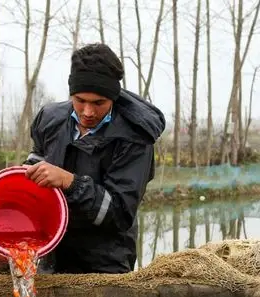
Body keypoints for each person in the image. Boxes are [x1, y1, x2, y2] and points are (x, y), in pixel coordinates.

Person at [23, 43, 166, 274]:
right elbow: (35, 161)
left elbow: (120, 213)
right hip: (52, 249)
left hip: (106, 260)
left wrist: (71, 182)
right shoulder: (49, 119)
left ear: (113, 97)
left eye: (99, 103)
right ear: (71, 93)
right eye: (80, 100)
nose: (88, 112)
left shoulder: (135, 138)